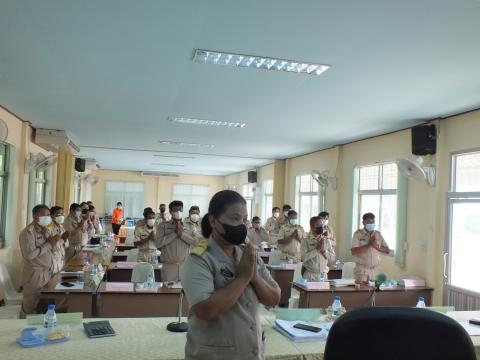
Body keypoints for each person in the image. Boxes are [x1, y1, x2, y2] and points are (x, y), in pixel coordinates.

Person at [181, 190, 280, 360]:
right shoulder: (199, 259)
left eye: (244, 219)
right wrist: (242, 279)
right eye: (234, 219)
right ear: (213, 221)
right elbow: (205, 310)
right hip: (215, 355)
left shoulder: (248, 254)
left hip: (252, 352)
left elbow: (275, 297)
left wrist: (254, 277)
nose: (241, 225)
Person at [19, 205, 68, 317]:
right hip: (35, 275)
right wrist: (49, 244)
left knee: (45, 305)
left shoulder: (48, 229)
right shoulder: (28, 233)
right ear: (35, 217)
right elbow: (30, 255)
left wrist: (59, 241)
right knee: (30, 306)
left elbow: (55, 248)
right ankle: (21, 328)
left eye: (48, 215)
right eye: (44, 215)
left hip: (50, 273)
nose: (47, 218)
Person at [155, 200, 197, 281]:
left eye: (180, 209)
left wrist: (182, 235)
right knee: (168, 292)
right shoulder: (163, 226)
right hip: (168, 266)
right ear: (170, 211)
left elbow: (196, 242)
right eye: (175, 210)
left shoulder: (189, 226)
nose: (178, 212)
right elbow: (157, 244)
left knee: (184, 292)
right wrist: (174, 234)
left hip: (185, 266)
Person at [351, 213, 390, 283]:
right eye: (369, 222)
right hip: (362, 271)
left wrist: (376, 247)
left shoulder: (378, 234)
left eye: (373, 222)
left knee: (375, 293)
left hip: (375, 271)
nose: (371, 224)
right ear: (363, 222)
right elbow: (354, 251)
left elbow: (387, 250)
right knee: (363, 293)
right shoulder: (357, 234)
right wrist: (369, 245)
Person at [301, 216, 336, 281]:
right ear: (312, 227)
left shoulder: (326, 239)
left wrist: (324, 251)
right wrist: (317, 250)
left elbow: (332, 259)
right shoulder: (305, 240)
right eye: (318, 226)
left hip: (323, 275)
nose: (321, 228)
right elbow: (303, 258)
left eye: (322, 226)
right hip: (310, 275)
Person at [48, 206, 70, 271]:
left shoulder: (62, 227)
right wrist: (62, 240)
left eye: (62, 214)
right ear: (52, 215)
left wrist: (65, 239)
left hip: (61, 258)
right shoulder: (49, 228)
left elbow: (67, 245)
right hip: (53, 260)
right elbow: (51, 245)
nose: (61, 216)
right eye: (58, 214)